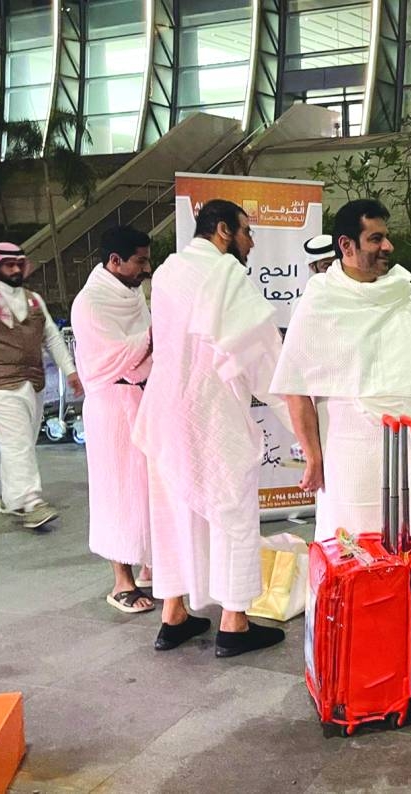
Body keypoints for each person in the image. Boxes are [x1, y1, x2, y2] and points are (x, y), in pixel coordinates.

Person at [270, 199, 411, 542]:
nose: (388, 246)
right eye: (376, 239)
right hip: (350, 453)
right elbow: (295, 388)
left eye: (386, 237)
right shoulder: (319, 302)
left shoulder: (401, 296)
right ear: (346, 246)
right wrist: (313, 458)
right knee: (352, 546)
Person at [132, 199, 288, 656]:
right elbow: (263, 356)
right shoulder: (227, 275)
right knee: (232, 512)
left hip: (164, 411)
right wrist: (301, 418)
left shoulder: (167, 272)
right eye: (247, 232)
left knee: (174, 512)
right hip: (211, 409)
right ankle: (234, 624)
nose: (251, 243)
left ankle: (174, 615)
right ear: (223, 230)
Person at [0, 242, 82, 530]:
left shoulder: (33, 300)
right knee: (18, 444)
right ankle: (32, 502)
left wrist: (70, 371)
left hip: (33, 382)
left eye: (20, 264)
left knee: (21, 443)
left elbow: (52, 337)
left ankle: (11, 500)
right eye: (9, 265)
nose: (16, 270)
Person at [71, 226, 155, 614]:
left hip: (143, 400)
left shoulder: (133, 294)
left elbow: (143, 349)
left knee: (150, 489)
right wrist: (154, 336)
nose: (147, 268)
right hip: (110, 407)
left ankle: (151, 563)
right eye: (140, 261)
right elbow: (113, 359)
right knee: (116, 493)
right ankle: (122, 581)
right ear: (115, 261)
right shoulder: (89, 304)